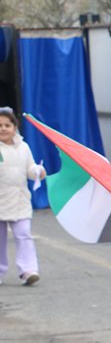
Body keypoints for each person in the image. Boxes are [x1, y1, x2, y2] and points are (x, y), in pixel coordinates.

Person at [0, 107, 46, 286]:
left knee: (23, 234)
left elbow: (30, 169)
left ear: (14, 127)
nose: (3, 129)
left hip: (19, 199)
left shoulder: (24, 147)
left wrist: (38, 171)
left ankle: (28, 270)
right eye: (0, 126)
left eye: (7, 125)